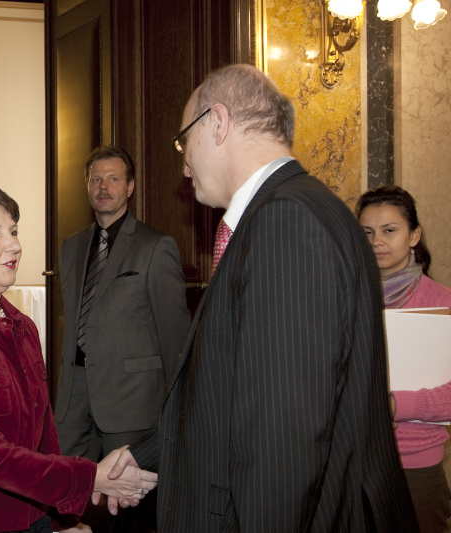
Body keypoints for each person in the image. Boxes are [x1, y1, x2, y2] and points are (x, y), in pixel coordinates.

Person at [106, 64, 419, 532]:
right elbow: (232, 388)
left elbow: (284, 438)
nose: (184, 165)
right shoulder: (295, 209)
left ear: (218, 122)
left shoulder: (284, 221)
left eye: (182, 143)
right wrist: (145, 454)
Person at [0, 185, 157, 533]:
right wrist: (93, 477)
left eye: (14, 231)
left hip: (33, 516)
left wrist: (62, 519)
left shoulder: (23, 327)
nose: (15, 245)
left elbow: (44, 437)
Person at [55, 146, 189, 530]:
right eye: (96, 179)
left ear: (130, 187)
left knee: (126, 507)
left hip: (131, 401)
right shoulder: (70, 246)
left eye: (113, 178)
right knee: (69, 499)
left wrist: (173, 412)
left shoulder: (156, 246)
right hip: (74, 396)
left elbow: (174, 339)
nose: (103, 187)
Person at [357, 185, 451, 533]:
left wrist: (398, 404)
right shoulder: (344, 299)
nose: (376, 241)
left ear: (414, 236)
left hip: (418, 471)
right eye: (366, 232)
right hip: (355, 466)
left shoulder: (441, 303)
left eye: (389, 230)